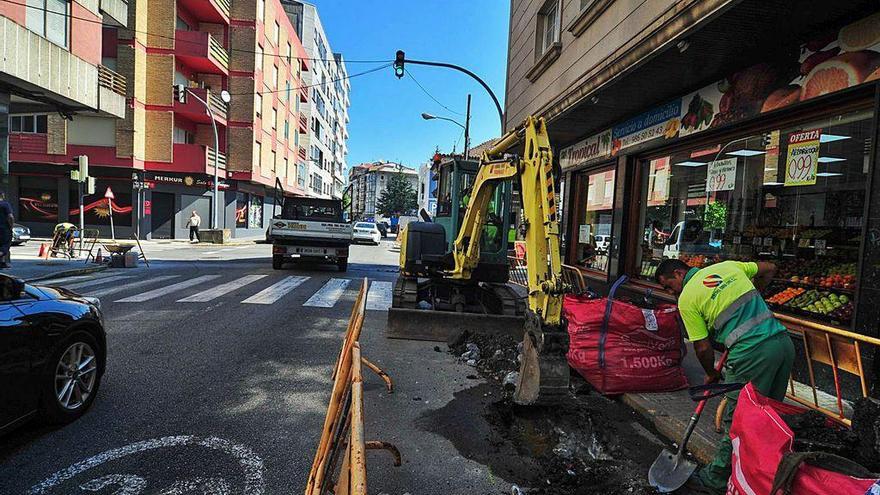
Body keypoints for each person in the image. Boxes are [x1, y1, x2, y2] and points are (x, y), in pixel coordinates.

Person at [655, 258, 795, 494]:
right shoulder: (729, 267)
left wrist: (710, 373)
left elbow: (701, 346)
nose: (671, 292)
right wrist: (758, 290)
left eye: (668, 286)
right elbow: (770, 267)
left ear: (678, 274)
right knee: (769, 416)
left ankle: (716, 477)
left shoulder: (688, 299)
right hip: (782, 345)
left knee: (739, 417)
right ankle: (763, 472)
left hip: (752, 353)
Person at [0, 191, 14, 268]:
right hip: (3, 229)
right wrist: (11, 226)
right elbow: (10, 217)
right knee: (5, 246)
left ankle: (2, 263)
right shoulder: (5, 204)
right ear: (2, 195)